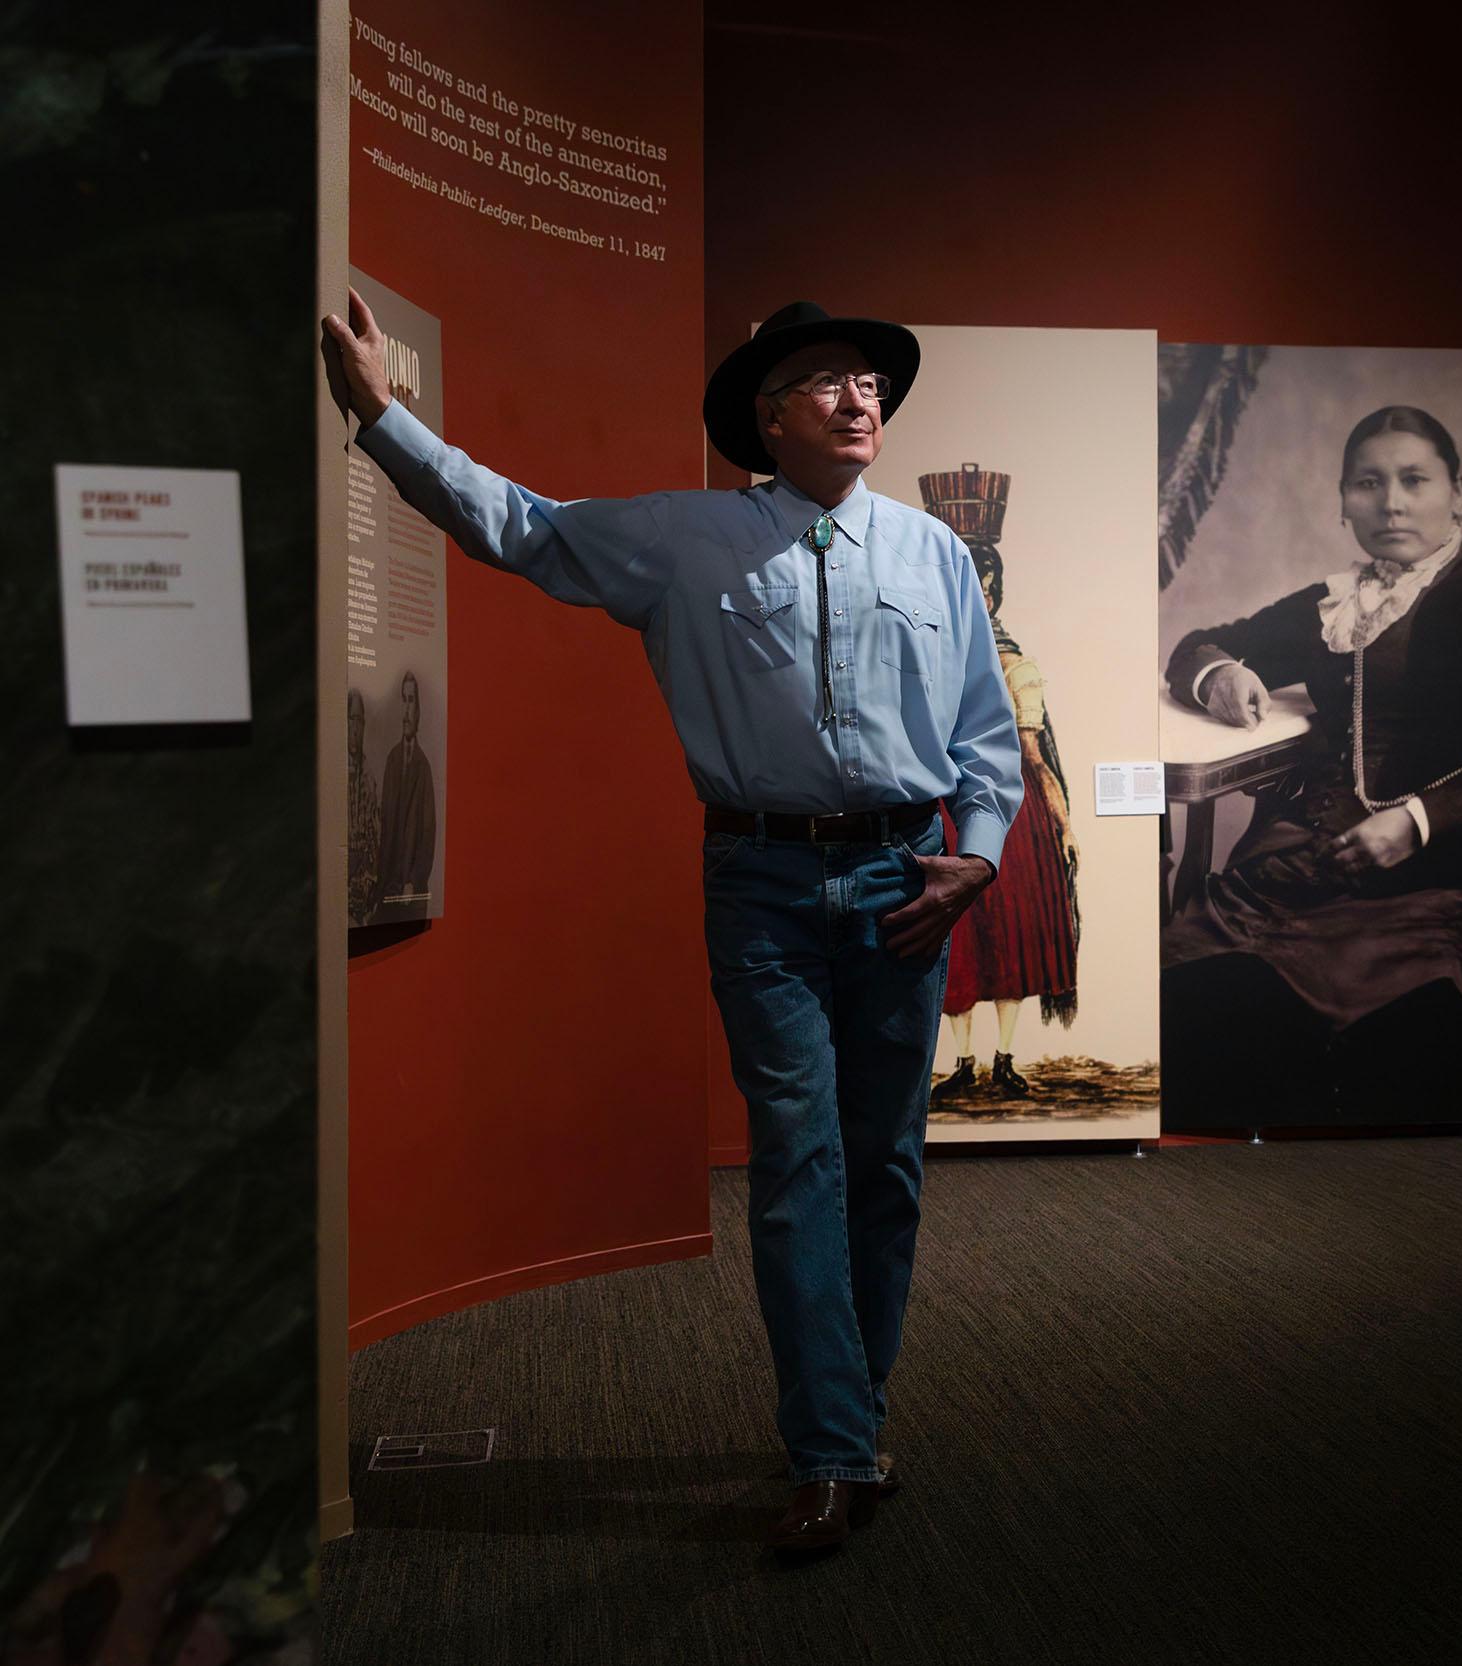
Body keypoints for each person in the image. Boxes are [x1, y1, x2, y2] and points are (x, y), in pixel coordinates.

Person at [319, 293, 1022, 1553]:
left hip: (904, 884)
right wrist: (383, 416)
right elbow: (521, 526)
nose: (858, 399)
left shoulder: (934, 554)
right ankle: (832, 1446)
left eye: (868, 382)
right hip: (761, 884)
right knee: (799, 1159)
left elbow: (984, 735)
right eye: (826, 381)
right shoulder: (686, 538)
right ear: (768, 418)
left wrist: (974, 856)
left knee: (887, 1167)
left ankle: (853, 1414)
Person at [1161, 405, 1462, 1123]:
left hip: (1436, 875)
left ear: (1457, 493)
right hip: (1298, 870)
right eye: (1368, 483)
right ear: (1342, 500)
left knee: (1376, 1056)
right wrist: (1222, 676)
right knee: (1196, 1009)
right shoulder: (1334, 603)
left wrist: (1419, 821)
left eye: (1414, 480)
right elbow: (1199, 644)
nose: (1391, 503)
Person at [916, 465, 1081, 1105]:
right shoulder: (927, 652)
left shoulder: (1015, 664)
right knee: (961, 942)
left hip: (1016, 813)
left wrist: (1062, 825)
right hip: (944, 805)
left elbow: (1034, 755)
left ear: (993, 590)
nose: (976, 596)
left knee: (1009, 935)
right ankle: (962, 1060)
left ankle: (1004, 1057)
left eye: (984, 585)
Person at [376, 670, 436, 913]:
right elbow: (385, 828)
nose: (406, 710)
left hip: (410, 892)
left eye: (411, 701)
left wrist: (413, 881)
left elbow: (428, 836)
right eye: (404, 700)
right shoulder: (392, 761)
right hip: (387, 887)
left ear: (418, 711)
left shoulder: (424, 768)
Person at [346, 688, 381, 926]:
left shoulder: (369, 778)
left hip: (363, 888)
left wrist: (370, 880)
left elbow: (373, 839)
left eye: (360, 720)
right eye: (352, 719)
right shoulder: (334, 773)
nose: (356, 728)